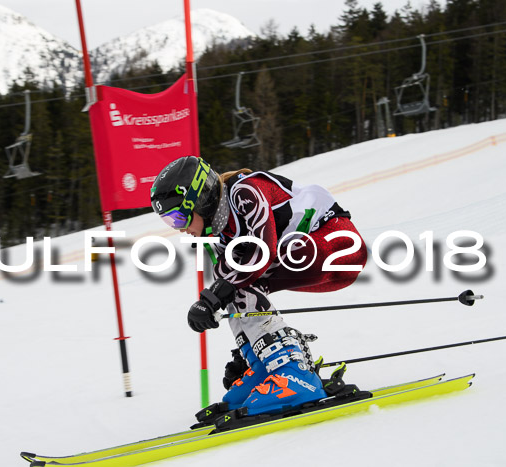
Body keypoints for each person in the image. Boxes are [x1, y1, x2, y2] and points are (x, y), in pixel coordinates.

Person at [150, 156, 367, 416]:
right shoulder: (218, 235)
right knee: (231, 281)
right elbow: (233, 284)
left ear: (199, 200)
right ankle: (268, 365)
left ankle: (293, 372)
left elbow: (262, 252)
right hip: (312, 261)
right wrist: (248, 351)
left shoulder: (245, 192)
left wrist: (211, 298)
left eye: (178, 218)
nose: (179, 228)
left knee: (236, 278)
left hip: (338, 246)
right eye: (170, 223)